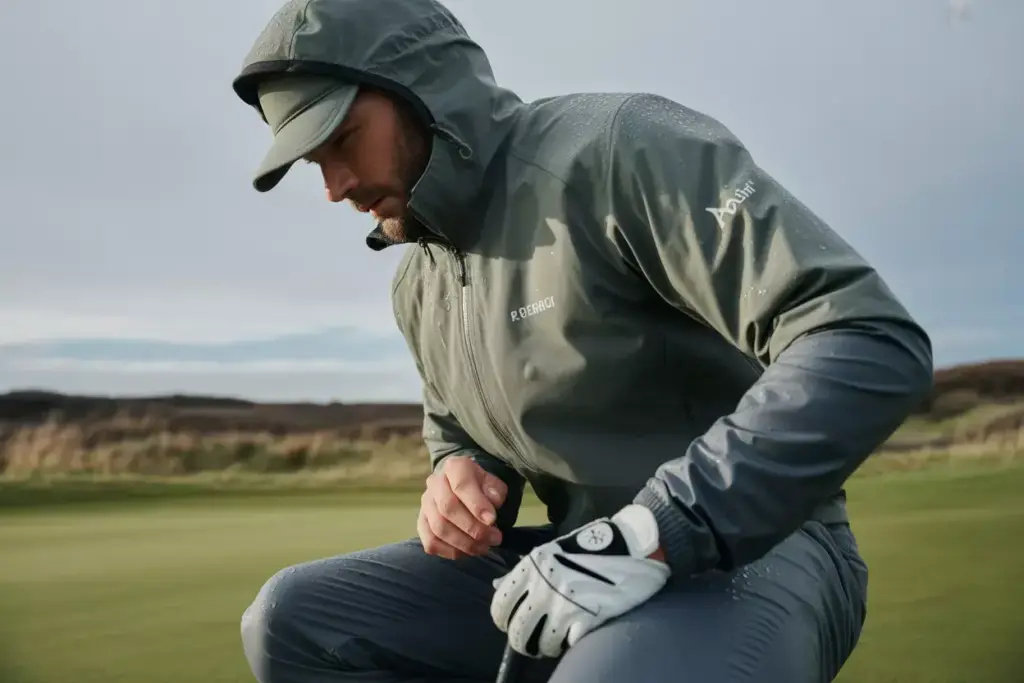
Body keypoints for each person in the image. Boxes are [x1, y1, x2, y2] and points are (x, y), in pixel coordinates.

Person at [231, 1, 934, 681]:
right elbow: (459, 429)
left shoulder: (614, 150)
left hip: (757, 549)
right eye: (313, 161)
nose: (334, 187)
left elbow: (865, 333)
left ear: (419, 88)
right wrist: (460, 473)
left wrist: (661, 527)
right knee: (291, 621)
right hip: (570, 567)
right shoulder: (416, 282)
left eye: (343, 140)